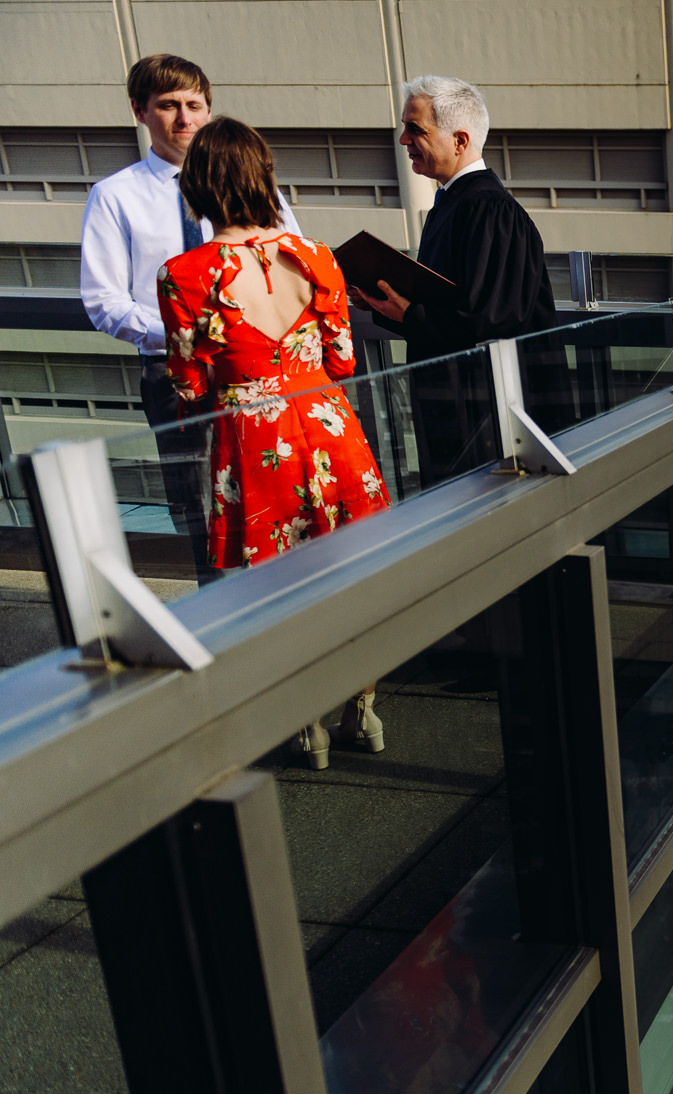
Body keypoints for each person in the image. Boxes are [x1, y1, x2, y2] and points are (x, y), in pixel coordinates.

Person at [158, 117, 390, 768]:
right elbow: (343, 359)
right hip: (330, 428)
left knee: (277, 591)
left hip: (252, 443)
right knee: (351, 577)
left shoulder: (185, 275)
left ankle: (305, 726)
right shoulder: (317, 258)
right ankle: (363, 710)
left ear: (198, 187)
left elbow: (187, 384)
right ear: (266, 178)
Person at [79, 54, 299, 580]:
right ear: (139, 111)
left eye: (194, 105)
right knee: (201, 516)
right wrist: (191, 340)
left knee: (277, 499)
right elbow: (103, 301)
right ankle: (222, 627)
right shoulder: (114, 196)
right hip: (176, 377)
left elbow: (292, 260)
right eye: (168, 106)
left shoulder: (254, 185)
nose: (185, 119)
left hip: (260, 372)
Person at [351, 75, 557, 487]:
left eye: (416, 129)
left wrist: (409, 315)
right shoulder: (453, 204)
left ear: (460, 141)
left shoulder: (489, 210)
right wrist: (386, 304)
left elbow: (493, 321)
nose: (403, 140)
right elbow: (451, 303)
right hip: (459, 411)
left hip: (486, 424)